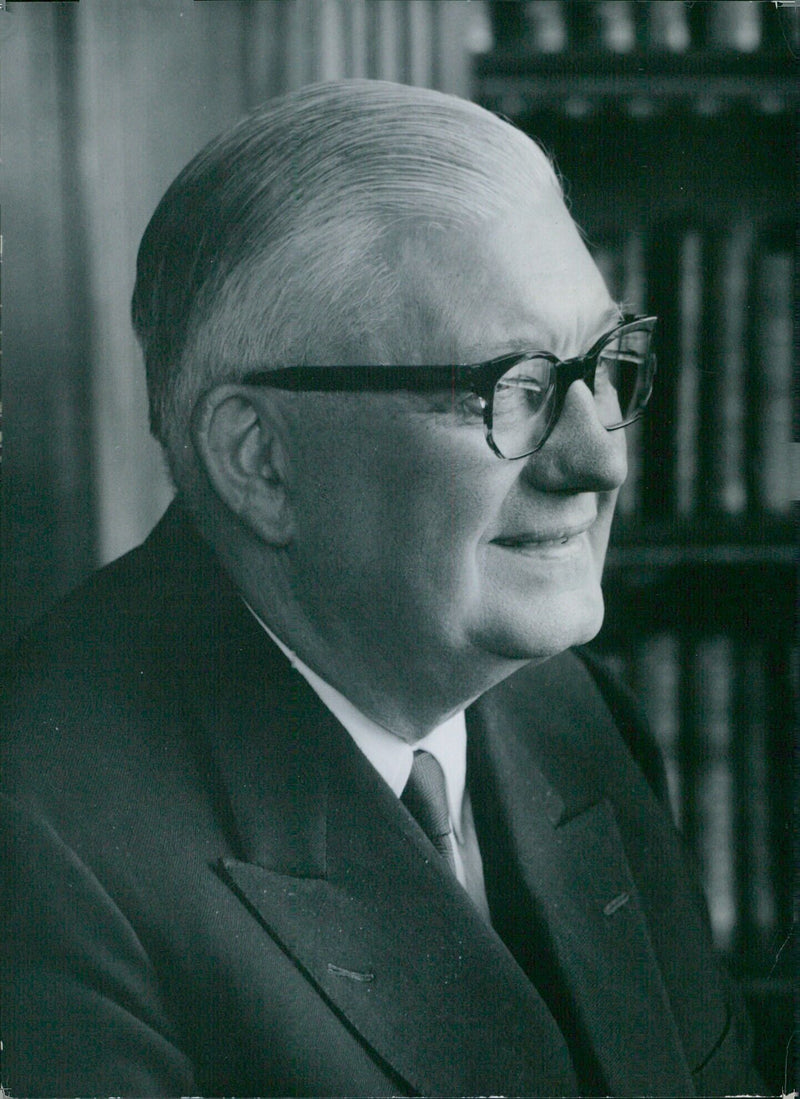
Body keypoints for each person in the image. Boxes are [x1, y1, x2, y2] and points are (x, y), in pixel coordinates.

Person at [1, 80, 760, 1097]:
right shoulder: (43, 844)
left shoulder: (568, 714)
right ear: (259, 459)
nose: (600, 459)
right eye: (513, 388)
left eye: (603, 365)